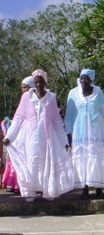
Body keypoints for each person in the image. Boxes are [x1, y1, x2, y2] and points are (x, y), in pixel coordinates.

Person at [3, 70, 74, 201]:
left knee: (47, 162)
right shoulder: (27, 97)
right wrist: (9, 136)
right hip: (31, 137)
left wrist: (64, 140)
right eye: (37, 82)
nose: (39, 85)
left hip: (48, 137)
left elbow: (56, 121)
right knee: (32, 162)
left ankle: (47, 191)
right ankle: (31, 191)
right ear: (34, 84)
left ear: (45, 82)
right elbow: (18, 118)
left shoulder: (51, 98)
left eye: (41, 82)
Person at [65, 69, 104, 198]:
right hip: (80, 131)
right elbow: (69, 115)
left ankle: (99, 187)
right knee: (83, 156)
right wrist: (68, 133)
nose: (84, 81)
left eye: (86, 78)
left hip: (97, 130)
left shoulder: (99, 93)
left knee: (97, 155)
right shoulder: (73, 93)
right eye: (82, 78)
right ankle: (85, 187)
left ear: (91, 80)